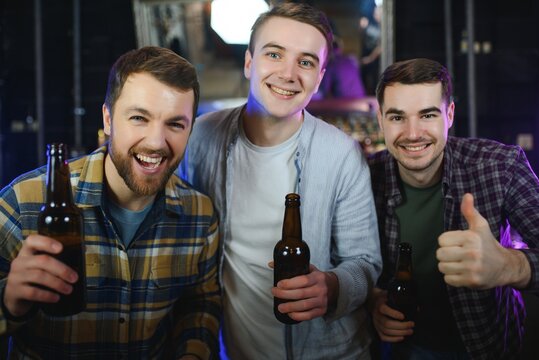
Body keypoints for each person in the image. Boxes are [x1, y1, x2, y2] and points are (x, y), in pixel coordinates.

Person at [180, 3, 381, 359]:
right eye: (274, 54)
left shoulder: (341, 154)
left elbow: (365, 262)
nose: (288, 74)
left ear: (319, 77)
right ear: (249, 62)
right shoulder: (200, 137)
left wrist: (332, 286)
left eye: (305, 62)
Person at [0, 46, 221, 358]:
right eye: (139, 118)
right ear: (107, 119)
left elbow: (200, 306)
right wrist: (8, 302)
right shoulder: (23, 204)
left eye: (175, 124)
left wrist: (193, 352)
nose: (156, 142)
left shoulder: (200, 215)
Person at [368, 58, 539, 359]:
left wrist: (509, 266)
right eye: (397, 117)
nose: (412, 133)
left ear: (449, 115)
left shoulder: (500, 166)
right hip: (397, 350)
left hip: (488, 348)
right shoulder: (364, 176)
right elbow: (341, 264)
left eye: (427, 115)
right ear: (381, 119)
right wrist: (371, 302)